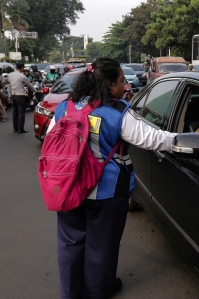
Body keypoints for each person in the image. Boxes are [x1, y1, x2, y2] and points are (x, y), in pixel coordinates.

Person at [46, 57, 176, 299]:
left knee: (70, 244)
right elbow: (151, 138)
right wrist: (177, 140)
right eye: (121, 81)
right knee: (101, 246)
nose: (125, 86)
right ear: (108, 84)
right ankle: (98, 290)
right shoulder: (117, 112)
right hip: (106, 191)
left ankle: (70, 293)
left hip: (67, 188)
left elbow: (51, 138)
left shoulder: (67, 106)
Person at [8, 62, 36, 133]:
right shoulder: (22, 76)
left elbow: (9, 86)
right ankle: (21, 129)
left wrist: (9, 95)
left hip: (13, 95)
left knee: (15, 112)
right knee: (21, 112)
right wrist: (36, 91)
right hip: (20, 95)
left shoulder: (10, 75)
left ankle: (15, 128)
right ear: (22, 68)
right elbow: (29, 85)